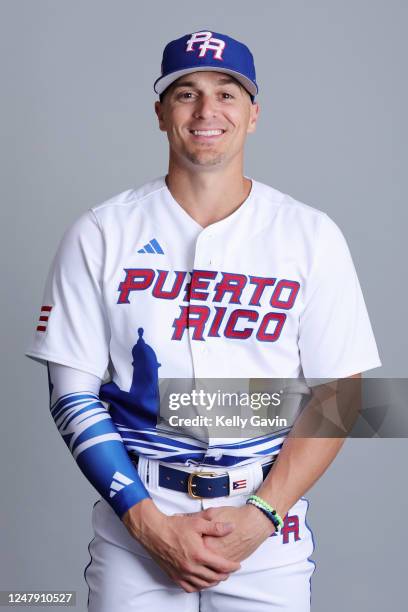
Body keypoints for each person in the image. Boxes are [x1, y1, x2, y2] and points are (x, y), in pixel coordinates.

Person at [25, 29, 382, 611]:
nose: (207, 110)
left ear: (254, 114)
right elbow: (71, 396)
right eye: (186, 93)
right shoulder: (100, 232)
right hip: (137, 527)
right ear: (161, 113)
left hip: (265, 530)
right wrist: (147, 524)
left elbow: (342, 392)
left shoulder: (310, 235)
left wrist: (262, 515)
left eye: (227, 93)